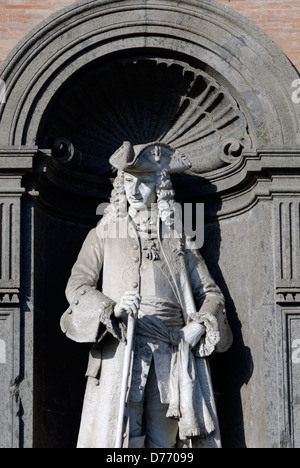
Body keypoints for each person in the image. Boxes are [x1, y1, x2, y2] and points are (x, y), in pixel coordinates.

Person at [60, 141, 233, 448]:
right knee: (122, 436)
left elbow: (211, 292)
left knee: (165, 440)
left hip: (171, 350)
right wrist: (110, 309)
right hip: (121, 348)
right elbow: (77, 287)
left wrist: (199, 326)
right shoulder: (103, 233)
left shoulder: (180, 237)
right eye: (129, 181)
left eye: (146, 181)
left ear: (160, 186)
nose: (136, 190)